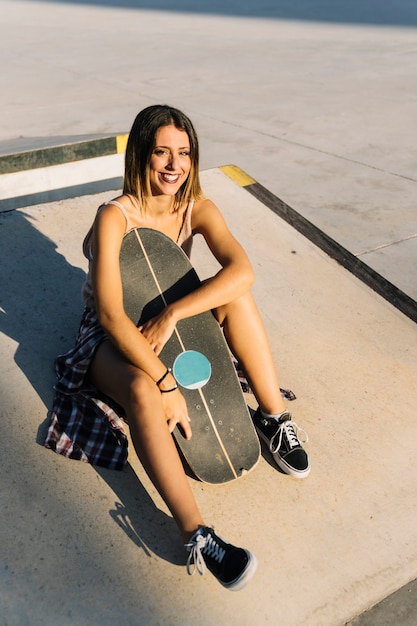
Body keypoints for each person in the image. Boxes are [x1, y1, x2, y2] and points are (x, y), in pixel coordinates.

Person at [45, 104, 310, 591]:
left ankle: (274, 418)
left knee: (238, 295)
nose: (174, 164)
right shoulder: (114, 217)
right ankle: (198, 534)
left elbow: (242, 271)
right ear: (141, 154)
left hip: (167, 317)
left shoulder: (198, 207)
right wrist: (166, 383)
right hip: (111, 335)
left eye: (184, 153)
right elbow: (109, 315)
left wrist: (173, 314)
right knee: (144, 394)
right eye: (162, 152)